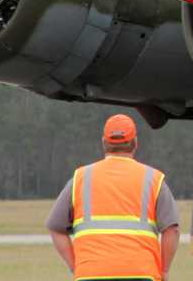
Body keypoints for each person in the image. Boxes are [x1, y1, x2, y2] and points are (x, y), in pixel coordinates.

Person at [46, 114, 180, 281]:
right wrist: (164, 270)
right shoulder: (154, 179)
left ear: (104, 142)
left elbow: (55, 227)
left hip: (90, 275)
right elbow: (172, 229)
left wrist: (77, 266)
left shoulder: (80, 178)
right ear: (135, 143)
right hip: (141, 274)